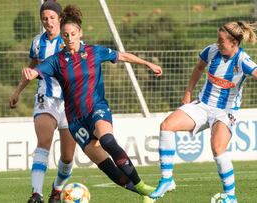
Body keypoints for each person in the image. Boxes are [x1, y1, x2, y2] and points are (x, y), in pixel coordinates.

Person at [17, 4, 162, 202]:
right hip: (75, 120)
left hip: (96, 108)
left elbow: (122, 55)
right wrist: (29, 73)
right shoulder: (56, 60)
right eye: (66, 35)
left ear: (80, 33)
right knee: (106, 166)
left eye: (72, 34)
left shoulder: (94, 52)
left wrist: (147, 63)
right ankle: (144, 195)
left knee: (108, 141)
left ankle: (142, 185)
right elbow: (36, 70)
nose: (69, 39)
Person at [149, 21, 257, 203]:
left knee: (217, 148)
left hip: (225, 111)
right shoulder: (212, 50)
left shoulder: (242, 60)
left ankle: (231, 197)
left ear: (234, 43)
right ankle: (167, 179)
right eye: (217, 38)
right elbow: (199, 67)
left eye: (221, 40)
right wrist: (188, 93)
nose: (217, 43)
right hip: (202, 105)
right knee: (166, 126)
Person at [9, 1, 76, 202]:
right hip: (45, 99)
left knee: (67, 157)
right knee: (43, 143)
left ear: (60, 18)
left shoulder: (70, 40)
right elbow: (32, 68)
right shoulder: (37, 42)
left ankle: (57, 189)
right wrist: (17, 90)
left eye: (52, 18)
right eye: (44, 19)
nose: (48, 22)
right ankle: (36, 193)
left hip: (69, 103)